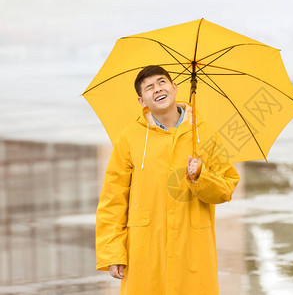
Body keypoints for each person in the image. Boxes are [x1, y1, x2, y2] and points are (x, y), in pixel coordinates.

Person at [95, 65, 240, 294]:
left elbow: (226, 188)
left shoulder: (204, 133)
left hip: (192, 246)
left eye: (162, 82)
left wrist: (201, 177)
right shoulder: (130, 137)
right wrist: (113, 252)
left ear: (174, 88)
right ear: (142, 101)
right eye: (149, 87)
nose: (157, 89)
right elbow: (113, 199)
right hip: (145, 248)